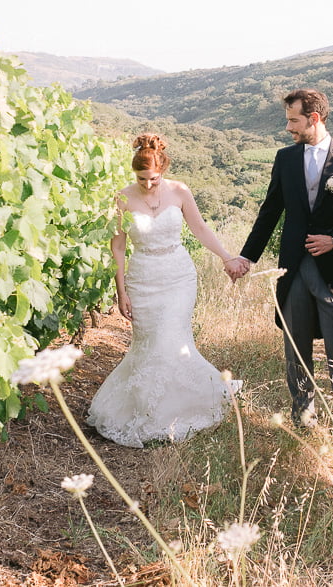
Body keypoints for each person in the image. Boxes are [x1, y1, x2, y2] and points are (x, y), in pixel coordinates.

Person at [228, 89, 333, 463]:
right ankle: (304, 417)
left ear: (314, 118)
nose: (288, 127)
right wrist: (246, 257)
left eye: (294, 120)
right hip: (292, 268)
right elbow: (270, 212)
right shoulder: (285, 158)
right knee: (296, 348)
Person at [87, 133, 243, 448]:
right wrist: (121, 290)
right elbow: (118, 247)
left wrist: (226, 257)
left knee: (172, 340)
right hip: (143, 279)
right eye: (141, 179)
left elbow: (199, 228)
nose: (148, 184)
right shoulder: (121, 198)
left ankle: (178, 411)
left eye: (153, 178)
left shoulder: (179, 191)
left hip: (178, 277)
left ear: (163, 168)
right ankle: (147, 410)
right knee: (148, 346)